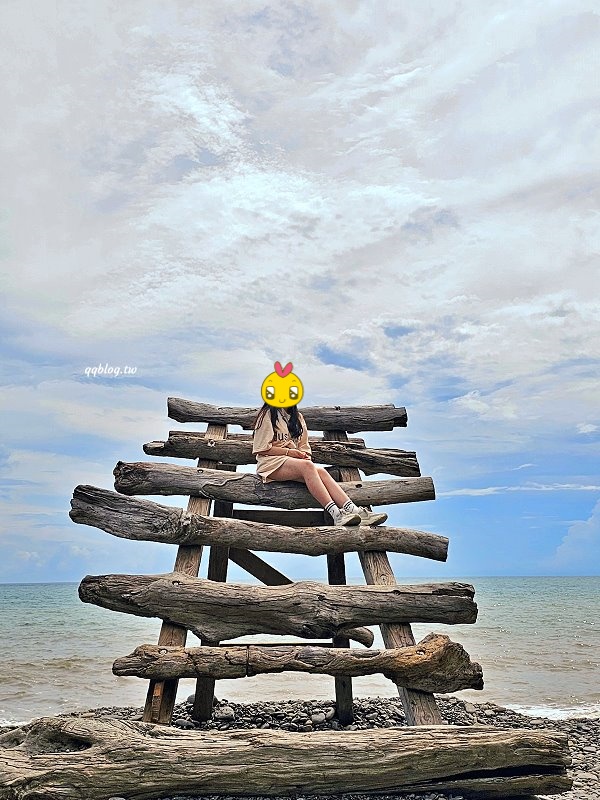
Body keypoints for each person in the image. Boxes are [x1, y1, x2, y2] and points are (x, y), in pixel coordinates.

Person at [252, 402, 387, 526]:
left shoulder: (297, 417)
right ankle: (337, 515)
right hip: (270, 463)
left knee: (321, 471)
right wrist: (290, 453)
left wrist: (304, 457)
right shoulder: (267, 414)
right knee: (308, 467)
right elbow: (261, 448)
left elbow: (304, 446)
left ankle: (354, 511)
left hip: (294, 463)